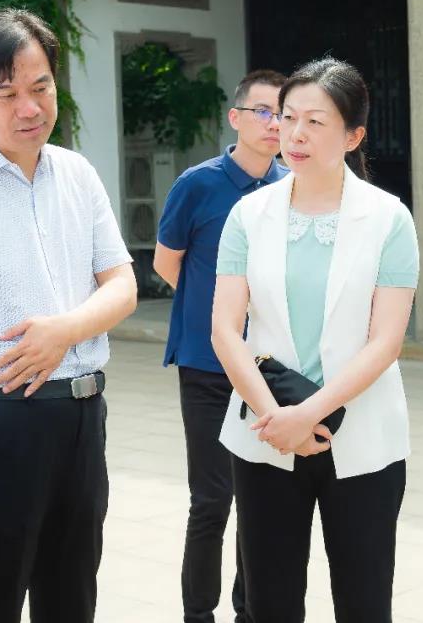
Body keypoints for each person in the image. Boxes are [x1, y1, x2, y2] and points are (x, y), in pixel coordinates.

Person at [0, 8, 137, 623]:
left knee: (73, 593)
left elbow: (122, 283)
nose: (30, 108)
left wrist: (65, 330)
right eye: (7, 93)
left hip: (83, 414)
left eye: (42, 87)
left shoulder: (77, 173)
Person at [212, 57, 419, 622]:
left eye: (315, 121)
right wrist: (276, 417)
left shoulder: (389, 219)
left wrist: (308, 415)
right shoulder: (248, 215)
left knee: (364, 600)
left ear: (353, 136)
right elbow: (225, 329)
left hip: (364, 434)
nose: (294, 133)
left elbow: (386, 342)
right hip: (266, 432)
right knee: (270, 601)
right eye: (287, 117)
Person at [153, 68, 287, 623]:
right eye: (263, 111)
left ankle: (248, 611)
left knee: (261, 503)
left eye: (284, 114)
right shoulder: (198, 184)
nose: (275, 124)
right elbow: (168, 264)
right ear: (236, 118)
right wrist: (217, 317)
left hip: (268, 368)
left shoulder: (291, 185)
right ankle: (198, 614)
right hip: (208, 367)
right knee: (211, 501)